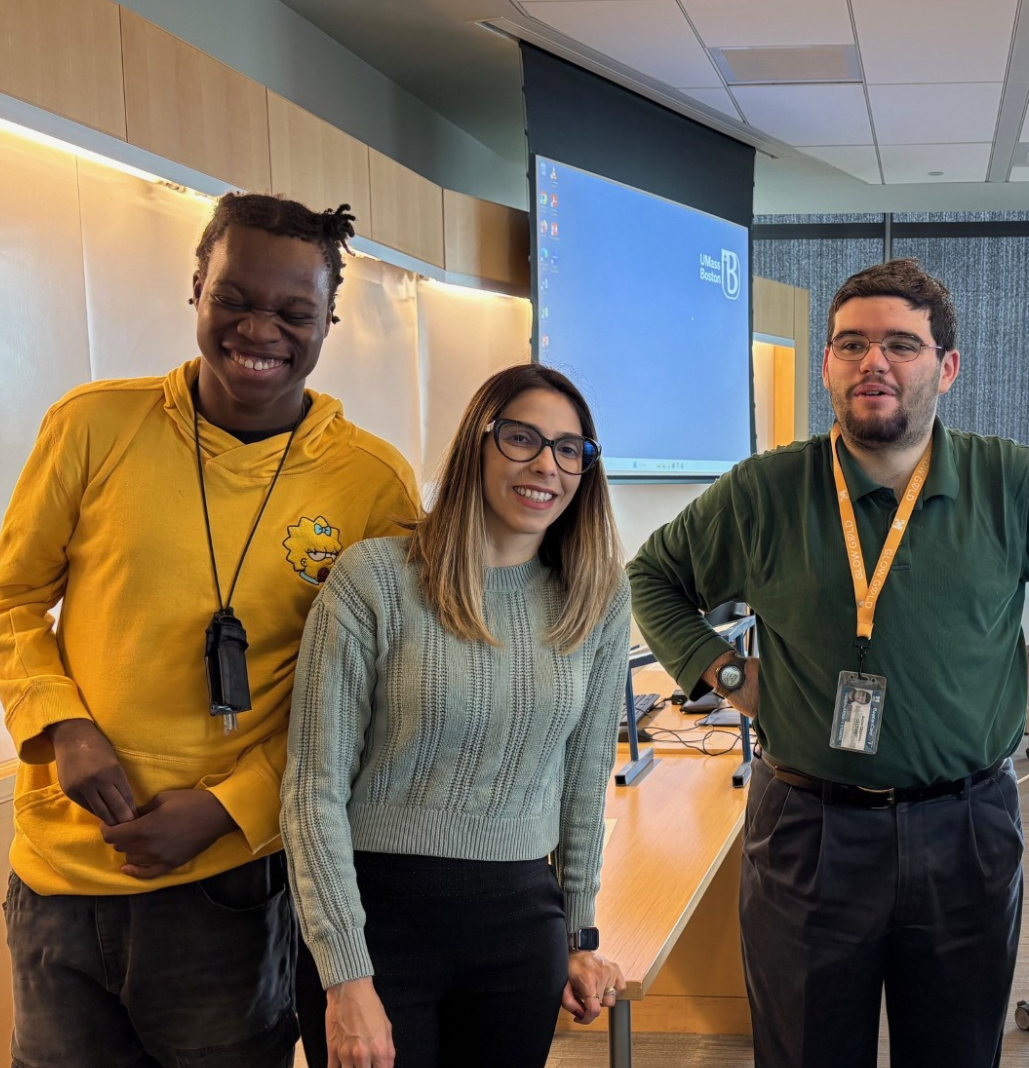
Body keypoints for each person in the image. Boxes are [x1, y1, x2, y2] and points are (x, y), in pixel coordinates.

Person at [0, 192, 419, 1068]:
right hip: (58, 879)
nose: (259, 329)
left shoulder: (373, 485)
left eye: (293, 311)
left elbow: (385, 694)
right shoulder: (92, 426)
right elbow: (9, 599)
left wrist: (232, 807)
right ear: (196, 286)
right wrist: (60, 722)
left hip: (231, 886)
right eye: (234, 297)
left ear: (329, 318)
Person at [627, 258, 1029, 1068]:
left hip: (966, 827)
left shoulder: (1012, 483)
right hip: (809, 831)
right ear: (829, 365)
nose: (874, 362)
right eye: (851, 344)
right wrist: (727, 677)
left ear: (946, 368)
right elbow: (653, 579)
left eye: (901, 344)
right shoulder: (765, 492)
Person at [282, 362, 630, 1068]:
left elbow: (585, 785)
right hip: (380, 922)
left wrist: (578, 936)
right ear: (477, 441)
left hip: (520, 924)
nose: (546, 465)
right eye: (522, 438)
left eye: (570, 449)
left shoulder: (595, 595)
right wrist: (346, 977)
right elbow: (311, 793)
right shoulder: (373, 579)